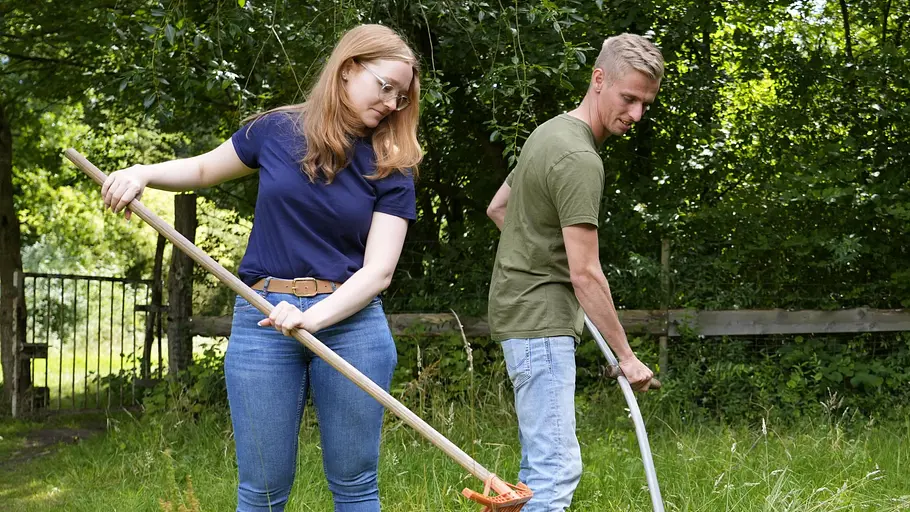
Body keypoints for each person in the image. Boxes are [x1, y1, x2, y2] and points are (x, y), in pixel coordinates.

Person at [100, 24, 422, 512]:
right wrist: (142, 174)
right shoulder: (275, 130)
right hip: (262, 316)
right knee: (262, 491)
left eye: (402, 96)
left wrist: (312, 317)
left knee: (356, 486)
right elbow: (205, 170)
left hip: (352, 324)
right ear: (349, 69)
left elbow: (378, 272)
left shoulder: (392, 164)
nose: (393, 104)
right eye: (386, 87)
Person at [486, 33, 664, 511]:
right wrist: (627, 357)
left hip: (521, 314)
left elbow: (500, 208)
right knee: (555, 469)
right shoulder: (581, 158)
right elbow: (586, 274)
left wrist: (542, 259)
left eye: (646, 103)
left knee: (538, 468)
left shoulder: (548, 133)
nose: (636, 115)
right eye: (629, 98)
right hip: (540, 321)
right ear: (599, 79)